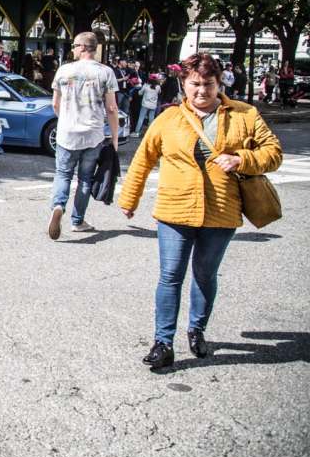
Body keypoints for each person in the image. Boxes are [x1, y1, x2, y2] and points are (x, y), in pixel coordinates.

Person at [118, 53, 282, 370]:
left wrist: (241, 160)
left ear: (219, 84)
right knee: (170, 276)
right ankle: (163, 342)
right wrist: (130, 198)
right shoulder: (168, 118)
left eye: (208, 84)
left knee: (205, 274)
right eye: (195, 84)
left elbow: (273, 152)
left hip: (221, 210)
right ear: (184, 83)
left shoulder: (245, 114)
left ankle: (197, 329)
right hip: (175, 209)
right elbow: (143, 159)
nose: (201, 91)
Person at [47, 32, 119, 239]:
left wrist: (65, 119)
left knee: (63, 173)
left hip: (67, 133)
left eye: (74, 45)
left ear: (82, 47)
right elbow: (112, 108)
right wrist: (114, 137)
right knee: (85, 178)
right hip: (93, 134)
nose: (73, 49)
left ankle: (58, 205)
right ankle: (77, 221)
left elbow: (55, 104)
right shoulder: (106, 72)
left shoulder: (64, 70)